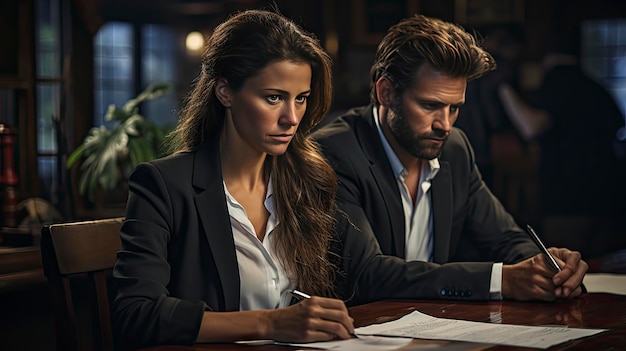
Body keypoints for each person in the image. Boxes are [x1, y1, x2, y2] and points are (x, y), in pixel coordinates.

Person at [113, 9, 509, 349]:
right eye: (273, 97)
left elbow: (359, 274)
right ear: (225, 92)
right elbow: (135, 313)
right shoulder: (165, 184)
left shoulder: (310, 178)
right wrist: (271, 323)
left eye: (300, 98)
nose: (291, 117)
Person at [312, 14, 588, 303]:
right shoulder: (334, 153)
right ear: (387, 93)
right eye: (430, 105)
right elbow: (366, 274)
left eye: (454, 108)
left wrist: (546, 266)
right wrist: (500, 281)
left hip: (436, 330)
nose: (445, 124)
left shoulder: (454, 148)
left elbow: (504, 238)